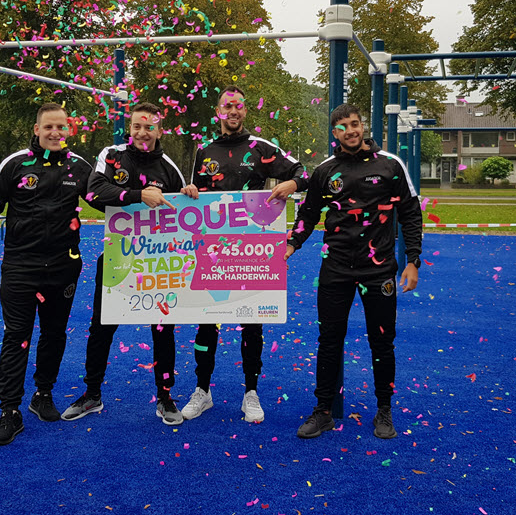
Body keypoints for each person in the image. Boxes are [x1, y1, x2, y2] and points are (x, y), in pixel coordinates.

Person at [286, 104, 422, 440]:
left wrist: (413, 260)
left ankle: (384, 411)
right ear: (335, 133)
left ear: (363, 127)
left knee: (382, 343)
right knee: (329, 342)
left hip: (379, 273)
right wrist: (292, 243)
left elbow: (410, 213)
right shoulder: (324, 171)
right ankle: (323, 411)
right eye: (343, 126)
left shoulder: (390, 165)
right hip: (335, 270)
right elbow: (308, 213)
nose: (351, 130)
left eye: (355, 124)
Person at [178, 85, 308, 424]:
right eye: (226, 106)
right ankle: (202, 390)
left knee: (252, 323)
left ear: (245, 112)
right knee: (207, 323)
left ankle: (250, 391)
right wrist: (191, 191)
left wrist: (291, 184)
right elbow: (195, 198)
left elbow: (303, 172)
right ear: (218, 111)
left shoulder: (261, 148)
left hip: (253, 252)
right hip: (213, 252)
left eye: (238, 106)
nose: (232, 111)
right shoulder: (204, 151)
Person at [61, 102, 192, 426]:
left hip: (157, 264)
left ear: (159, 130)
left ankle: (165, 397)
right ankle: (92, 394)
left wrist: (190, 193)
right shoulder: (113, 155)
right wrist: (138, 195)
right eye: (137, 126)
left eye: (149, 127)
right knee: (101, 328)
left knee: (163, 331)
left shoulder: (168, 166)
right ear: (129, 128)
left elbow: (185, 208)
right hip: (118, 260)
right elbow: (94, 192)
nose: (142, 132)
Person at [0, 103, 93, 446]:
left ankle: (43, 395)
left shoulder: (80, 167)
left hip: (63, 268)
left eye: (61, 127)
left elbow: (108, 200)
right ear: (37, 129)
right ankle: (10, 411)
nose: (55, 133)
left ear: (68, 130)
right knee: (17, 336)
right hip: (20, 268)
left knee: (54, 334)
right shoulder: (15, 164)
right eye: (48, 127)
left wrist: (148, 195)